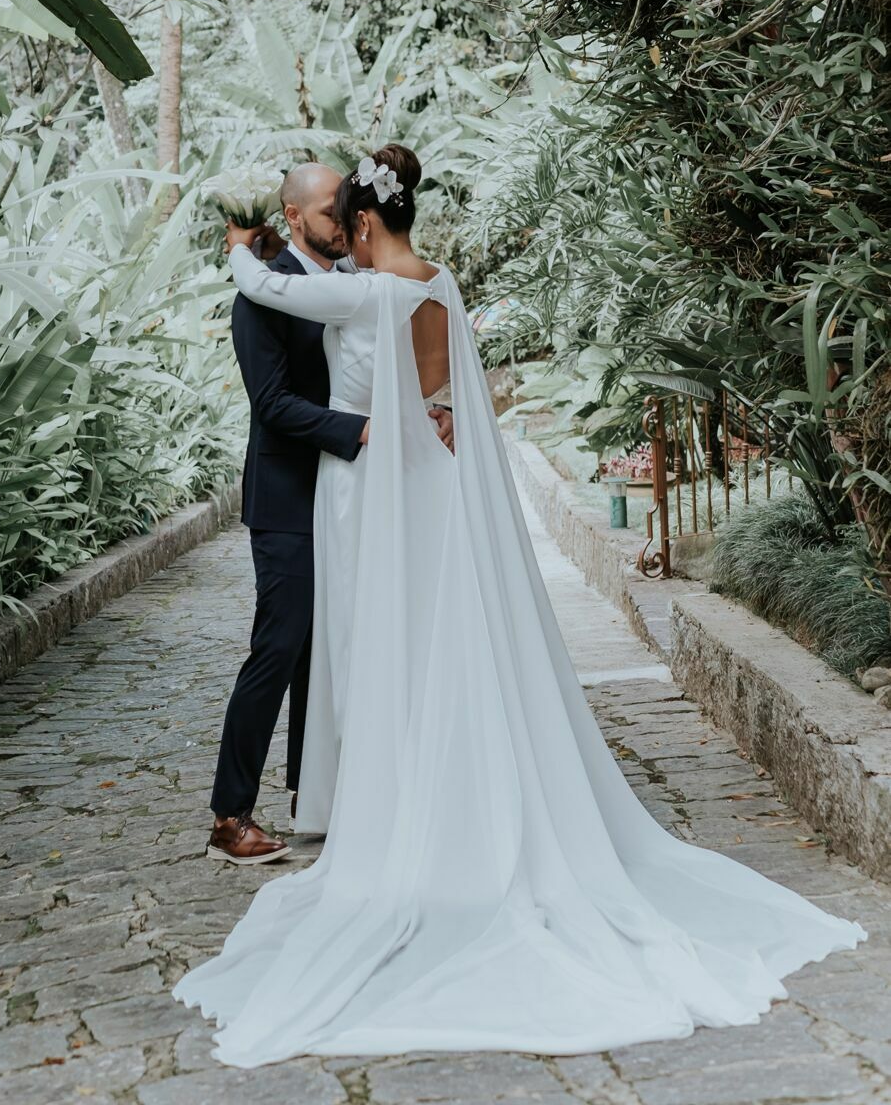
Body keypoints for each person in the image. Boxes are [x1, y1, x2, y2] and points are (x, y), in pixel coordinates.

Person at [175, 143, 865, 1066]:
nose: (339, 233)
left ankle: (407, 816)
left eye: (348, 220)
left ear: (366, 222)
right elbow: (425, 381)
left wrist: (235, 244)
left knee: (385, 643)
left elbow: (276, 294)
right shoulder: (440, 281)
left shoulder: (369, 292)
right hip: (405, 495)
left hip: (375, 493)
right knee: (415, 639)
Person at [207, 161, 452, 865]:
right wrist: (363, 431)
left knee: (338, 643)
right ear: (292, 218)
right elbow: (272, 404)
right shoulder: (262, 295)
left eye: (345, 211)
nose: (341, 222)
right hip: (290, 493)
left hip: (354, 495)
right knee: (280, 645)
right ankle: (230, 815)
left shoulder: (357, 284)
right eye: (326, 212)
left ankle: (323, 795)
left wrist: (433, 409)